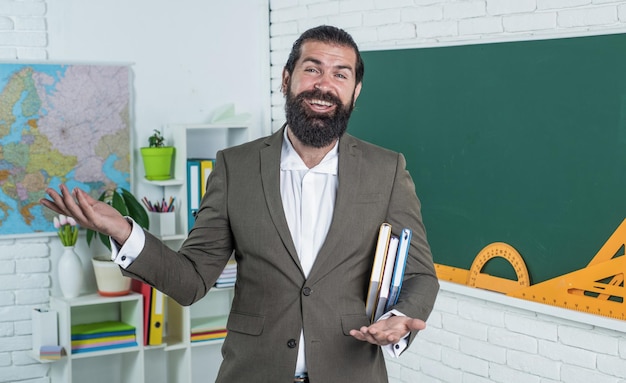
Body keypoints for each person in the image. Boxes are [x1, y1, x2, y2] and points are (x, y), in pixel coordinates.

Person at [41, 25, 439, 383]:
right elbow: (192, 279)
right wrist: (124, 232)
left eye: (341, 74)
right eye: (312, 68)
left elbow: (421, 275)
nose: (324, 84)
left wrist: (399, 318)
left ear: (355, 92)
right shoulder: (236, 167)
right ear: (286, 79)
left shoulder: (386, 170)